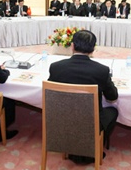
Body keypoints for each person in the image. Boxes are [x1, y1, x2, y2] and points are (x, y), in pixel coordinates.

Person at [48, 30, 118, 162]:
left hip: (62, 120)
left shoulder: (56, 67)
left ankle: (73, 147)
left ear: (72, 46)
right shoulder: (101, 70)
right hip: (90, 122)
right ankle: (92, 147)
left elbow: (52, 95)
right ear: (92, 50)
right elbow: (112, 97)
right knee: (112, 111)